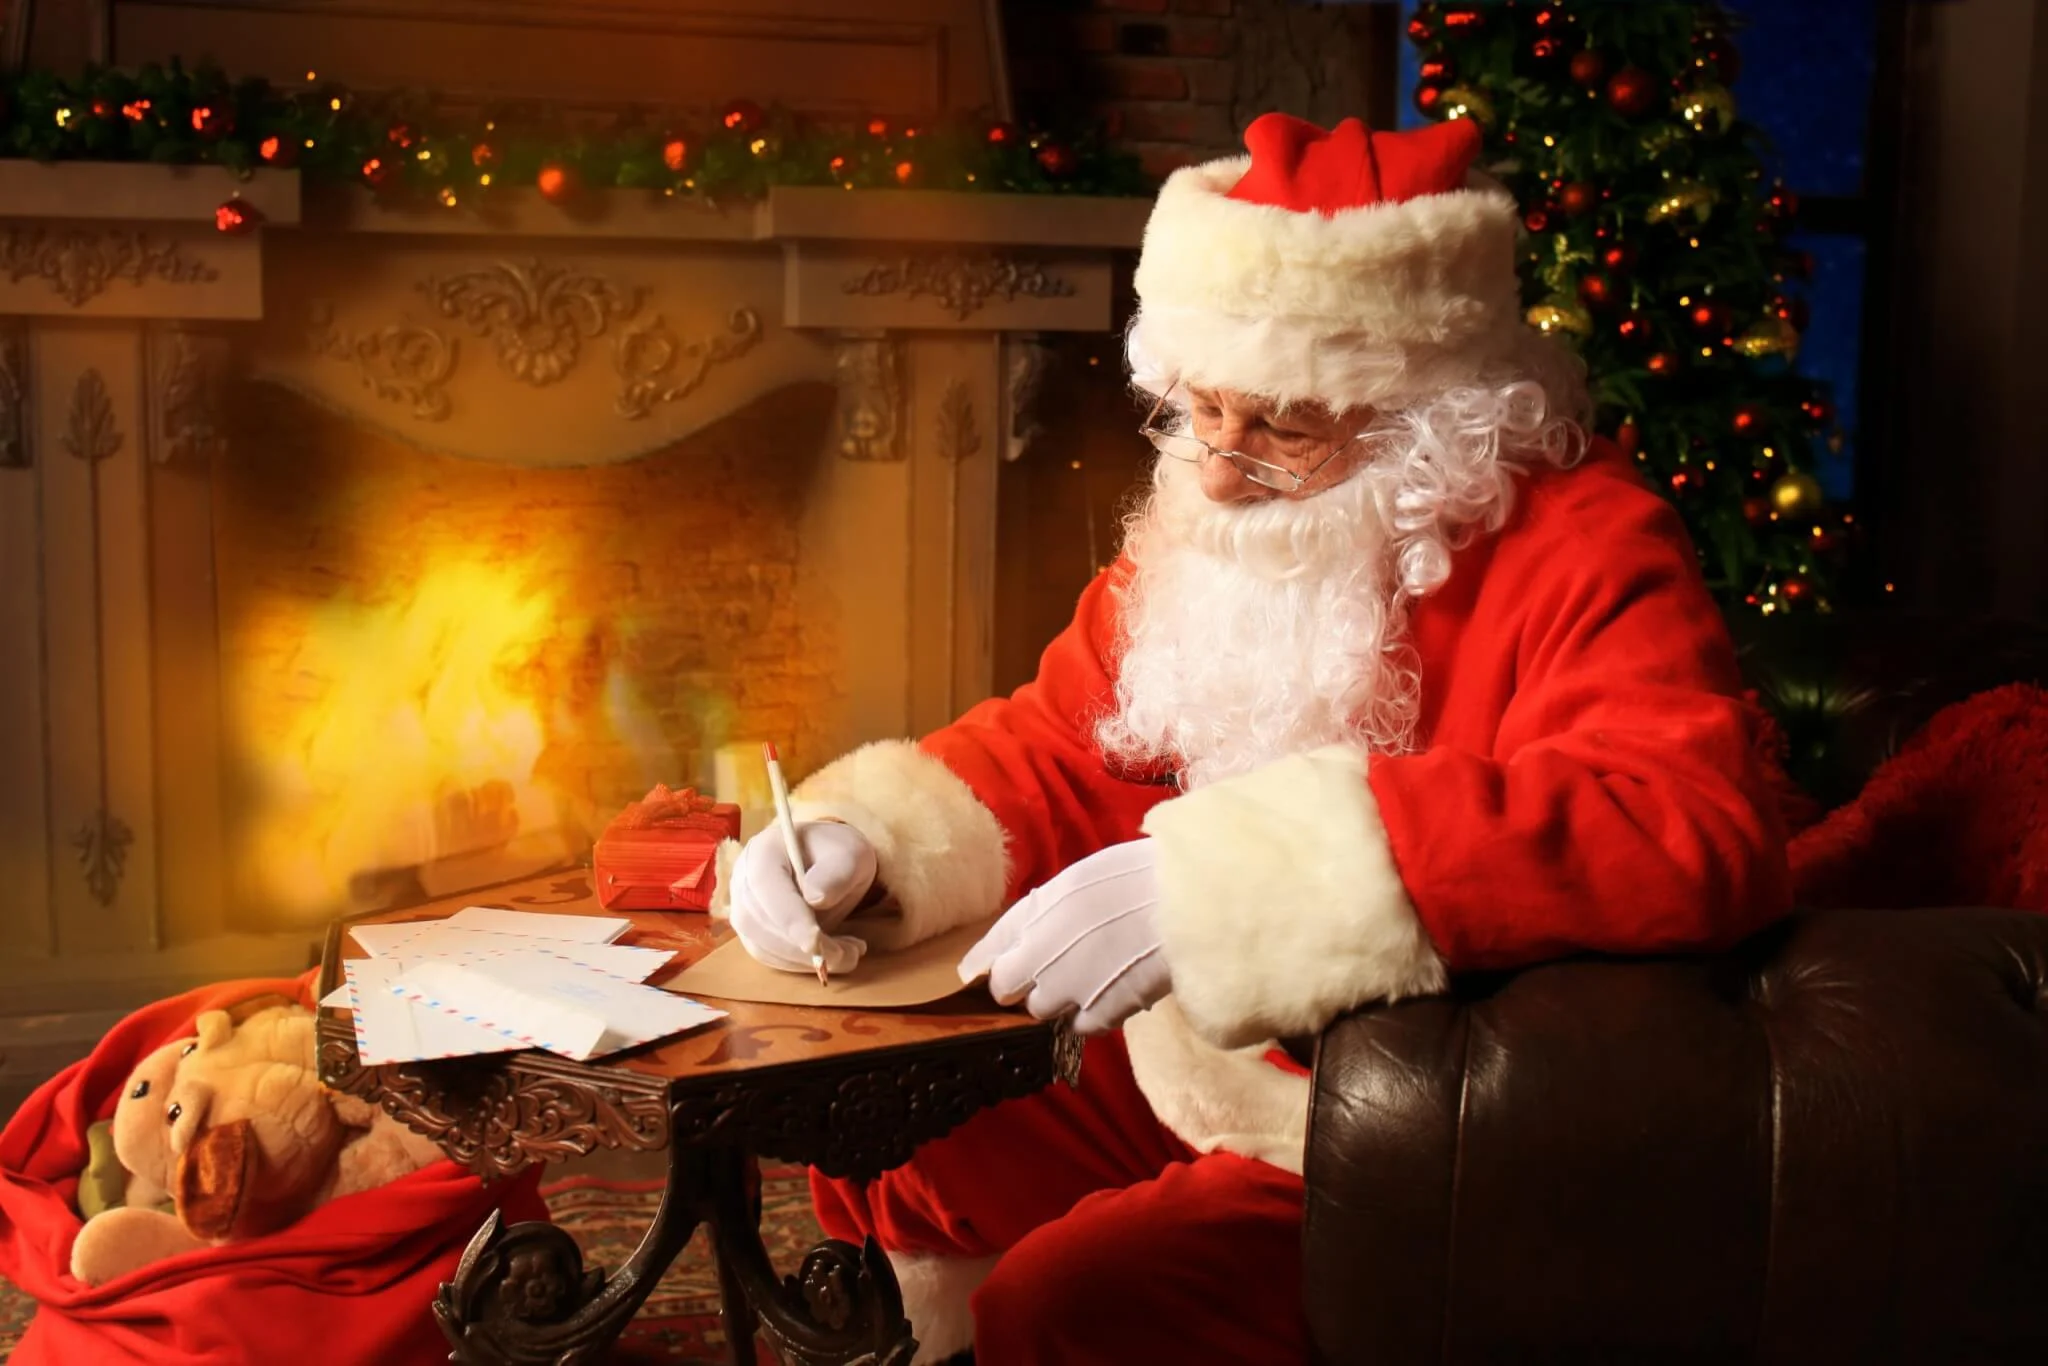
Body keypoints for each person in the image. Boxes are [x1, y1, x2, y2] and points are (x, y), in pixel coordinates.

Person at [717, 112, 1791, 1365]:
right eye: (1196, 408)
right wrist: (869, 838)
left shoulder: (1591, 546)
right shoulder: (1214, 526)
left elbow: (1683, 823)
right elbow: (1065, 740)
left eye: (1280, 425)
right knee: (894, 1135)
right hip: (1204, 1070)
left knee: (1074, 1299)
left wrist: (1240, 886)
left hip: (1421, 1121)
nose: (1218, 472)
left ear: (1428, 413)